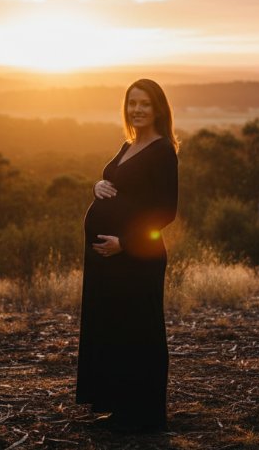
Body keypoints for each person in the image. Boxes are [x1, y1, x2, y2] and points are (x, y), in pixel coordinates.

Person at [76, 78, 179, 432]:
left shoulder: (163, 150)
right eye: (132, 102)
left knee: (141, 332)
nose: (137, 109)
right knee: (115, 329)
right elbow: (117, 185)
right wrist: (98, 185)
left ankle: (144, 415)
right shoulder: (128, 145)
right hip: (112, 261)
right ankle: (120, 408)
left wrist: (125, 243)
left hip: (139, 256)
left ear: (158, 109)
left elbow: (166, 211)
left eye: (144, 103)